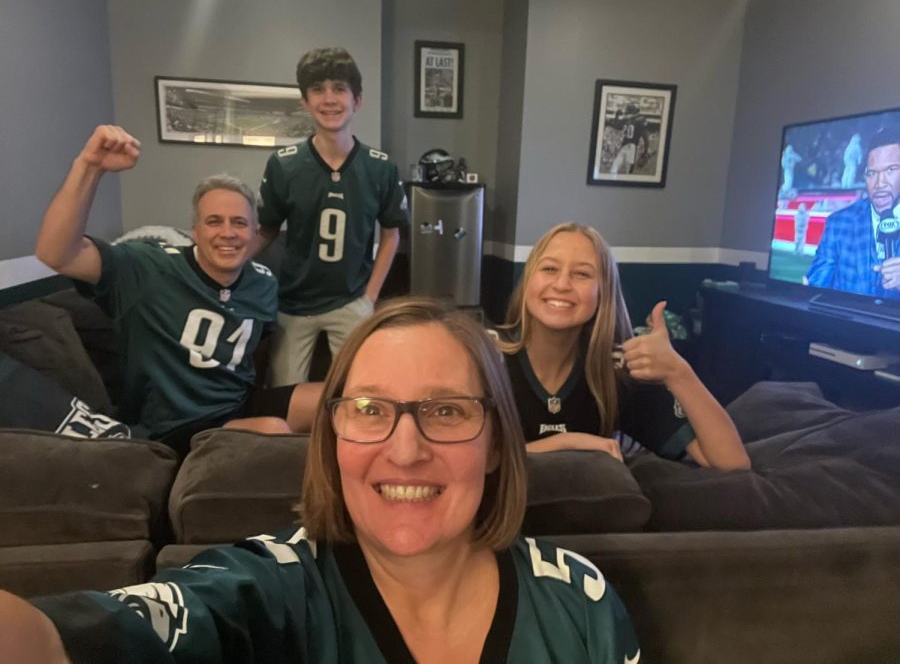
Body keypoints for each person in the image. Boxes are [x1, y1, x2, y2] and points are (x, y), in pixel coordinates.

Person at [0, 297, 641, 663]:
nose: (406, 449)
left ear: (499, 444)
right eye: (369, 410)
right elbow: (61, 641)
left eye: (446, 410)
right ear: (332, 440)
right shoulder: (267, 589)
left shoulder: (576, 600)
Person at [34, 125, 321, 455]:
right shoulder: (147, 267)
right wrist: (89, 166)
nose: (228, 233)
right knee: (272, 430)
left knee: (341, 402)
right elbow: (55, 253)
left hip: (240, 406)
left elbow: (256, 350)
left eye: (239, 223)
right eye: (214, 221)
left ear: (254, 232)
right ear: (195, 230)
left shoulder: (263, 281)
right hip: (173, 426)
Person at [498, 223, 750, 471]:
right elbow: (477, 457)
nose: (562, 284)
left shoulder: (617, 369)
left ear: (603, 294)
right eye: (550, 268)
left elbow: (732, 462)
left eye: (582, 274)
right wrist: (569, 443)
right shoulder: (487, 360)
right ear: (528, 281)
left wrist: (677, 371)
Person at [256, 47, 409, 385]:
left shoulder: (380, 167)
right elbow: (265, 230)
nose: (329, 99)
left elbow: (391, 233)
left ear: (357, 100)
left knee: (358, 390)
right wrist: (225, 266)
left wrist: (369, 297)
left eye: (339, 89)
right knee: (284, 393)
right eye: (317, 90)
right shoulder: (285, 164)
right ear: (304, 101)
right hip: (295, 301)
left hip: (351, 298)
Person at [806, 127, 900, 297]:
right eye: (872, 173)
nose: (880, 183)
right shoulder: (839, 223)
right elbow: (816, 288)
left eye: (890, 170)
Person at [608, 104, 649, 175]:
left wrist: (616, 116)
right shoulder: (637, 120)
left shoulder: (628, 120)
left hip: (629, 147)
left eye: (627, 111)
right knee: (622, 171)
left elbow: (616, 126)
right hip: (628, 147)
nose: (625, 112)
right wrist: (645, 151)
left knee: (617, 169)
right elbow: (646, 138)